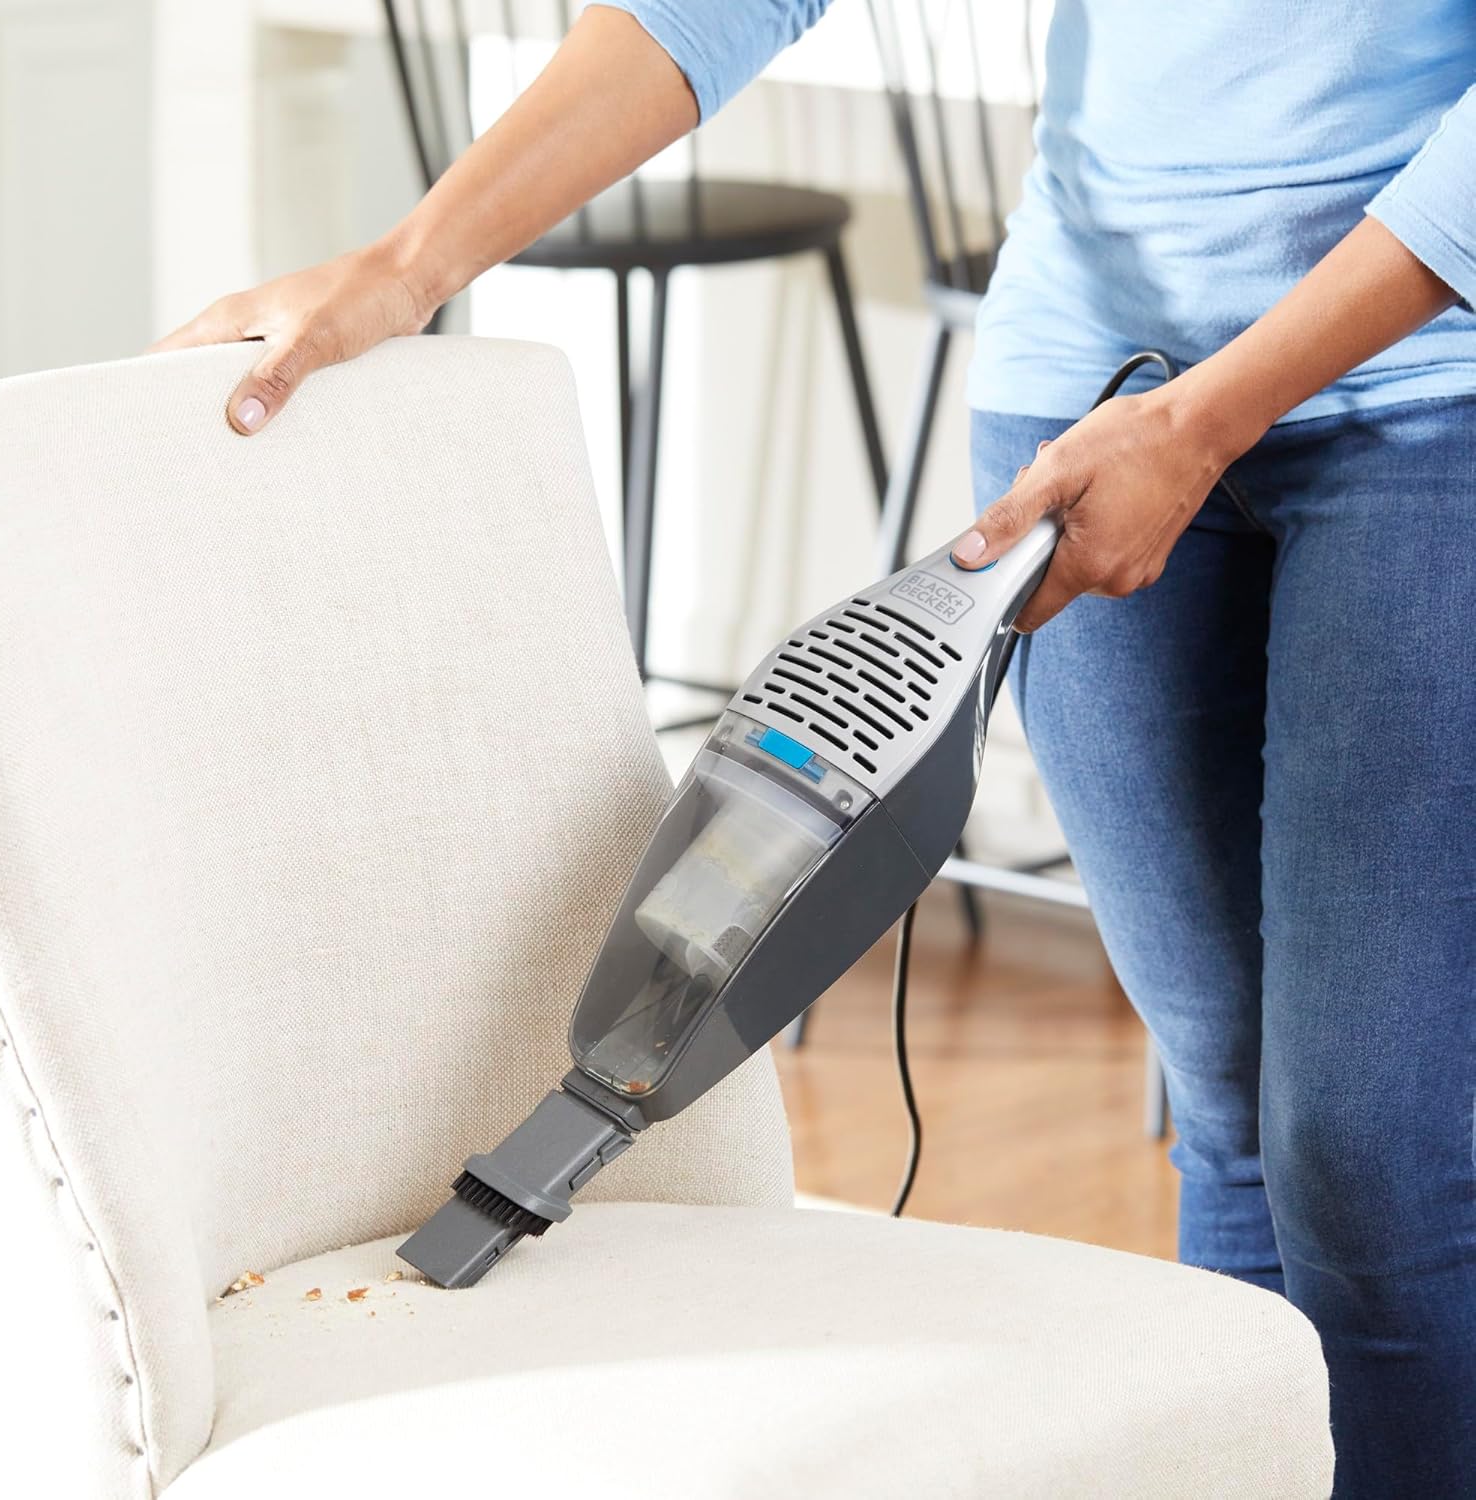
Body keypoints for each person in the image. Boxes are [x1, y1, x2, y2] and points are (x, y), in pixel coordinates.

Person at [157, 4, 1475, 1492]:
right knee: (1228, 1103)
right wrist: (411, 265)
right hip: (1089, 384)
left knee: (1373, 1158)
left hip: (1430, 401)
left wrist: (1211, 419)